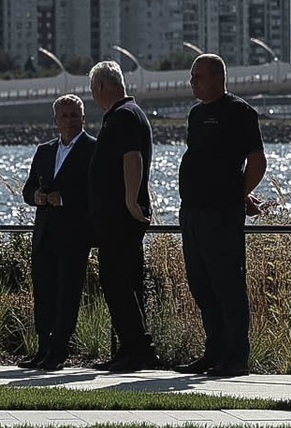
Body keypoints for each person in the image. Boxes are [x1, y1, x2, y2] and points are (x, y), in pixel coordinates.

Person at [175, 54, 266, 377]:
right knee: (201, 283)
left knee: (227, 284)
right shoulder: (196, 114)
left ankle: (235, 356)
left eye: (198, 76)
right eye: (192, 76)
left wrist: (238, 194)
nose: (193, 82)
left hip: (221, 213)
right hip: (192, 211)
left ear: (218, 78)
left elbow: (257, 160)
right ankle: (213, 351)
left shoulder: (239, 111)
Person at [86, 59, 157, 372]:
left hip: (120, 216)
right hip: (118, 215)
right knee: (128, 281)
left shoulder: (123, 115)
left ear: (101, 86)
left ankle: (138, 348)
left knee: (115, 281)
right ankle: (132, 348)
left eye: (93, 89)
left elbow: (133, 157)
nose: (93, 96)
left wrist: (130, 199)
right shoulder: (127, 113)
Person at [21, 94, 96, 370]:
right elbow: (28, 189)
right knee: (43, 293)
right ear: (55, 120)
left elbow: (96, 191)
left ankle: (59, 351)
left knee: (67, 295)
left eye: (74, 115)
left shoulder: (93, 149)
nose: (69, 120)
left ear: (83, 118)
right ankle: (43, 348)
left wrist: (64, 198)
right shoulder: (44, 151)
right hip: (45, 233)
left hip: (74, 235)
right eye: (64, 116)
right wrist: (37, 197)